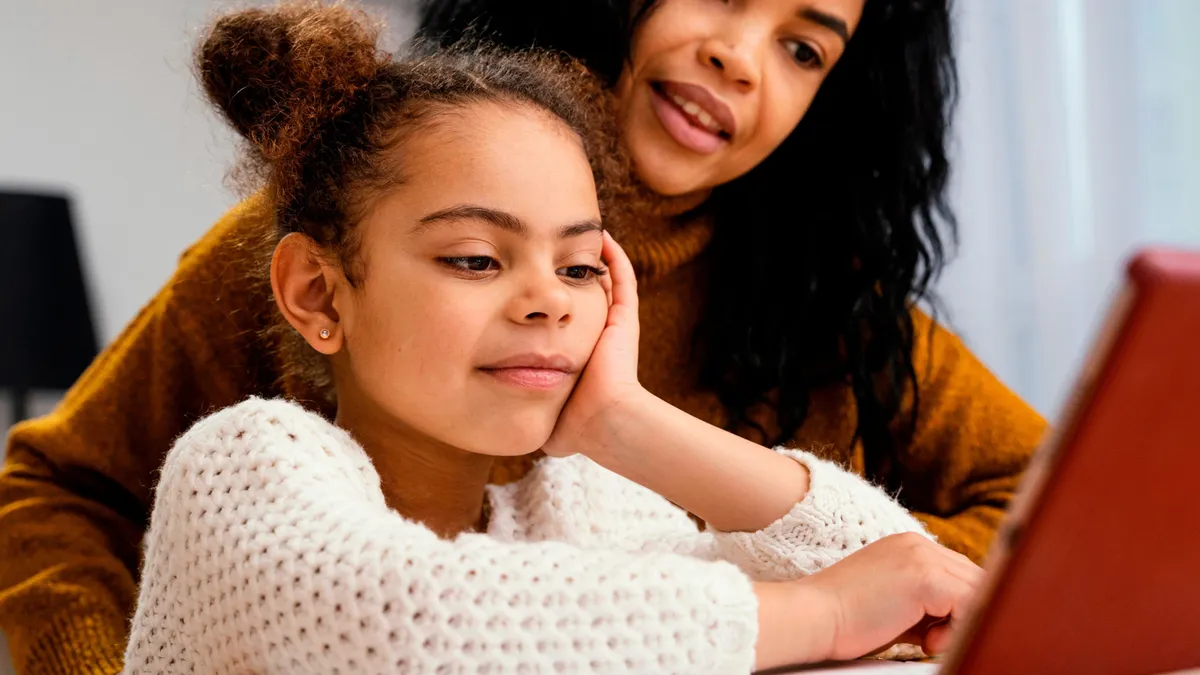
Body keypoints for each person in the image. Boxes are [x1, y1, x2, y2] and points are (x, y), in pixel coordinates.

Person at [0, 0, 1042, 671]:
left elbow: (902, 565)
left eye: (803, 46)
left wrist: (628, 425)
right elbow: (437, 625)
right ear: (316, 293)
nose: (738, 55)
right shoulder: (253, 463)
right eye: (474, 258)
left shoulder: (567, 487)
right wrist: (821, 616)